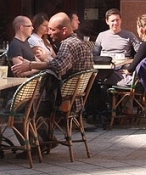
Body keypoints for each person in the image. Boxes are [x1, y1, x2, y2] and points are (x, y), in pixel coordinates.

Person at [11, 13, 94, 156]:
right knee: (32, 102)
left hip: (64, 101)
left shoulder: (68, 44)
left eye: (52, 29)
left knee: (19, 107)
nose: (49, 33)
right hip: (75, 99)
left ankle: (34, 146)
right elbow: (57, 64)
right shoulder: (80, 43)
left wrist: (30, 65)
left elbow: (58, 66)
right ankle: (46, 139)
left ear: (64, 30)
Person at [116, 15, 146, 86]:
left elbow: (131, 68)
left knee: (109, 77)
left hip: (138, 81)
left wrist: (127, 70)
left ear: (141, 29)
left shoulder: (145, 45)